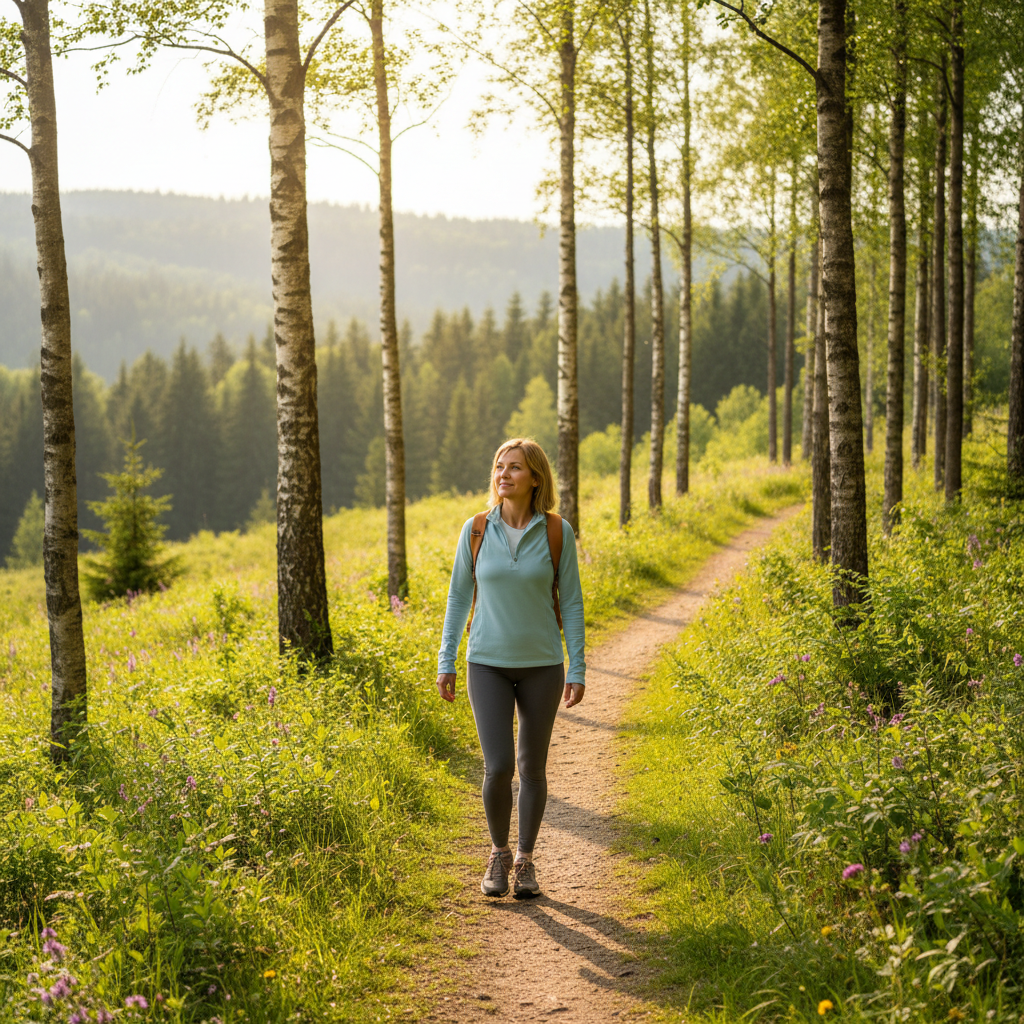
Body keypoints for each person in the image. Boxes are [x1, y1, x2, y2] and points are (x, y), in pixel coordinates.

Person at [436, 438, 586, 899]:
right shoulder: (476, 530)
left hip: (543, 665)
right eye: (499, 466)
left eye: (515, 467)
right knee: (499, 767)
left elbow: (574, 604)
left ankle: (525, 860)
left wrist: (577, 667)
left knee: (531, 767)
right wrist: (446, 661)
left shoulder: (558, 532)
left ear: (535, 478)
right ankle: (498, 854)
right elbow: (459, 597)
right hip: (486, 664)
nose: (504, 474)